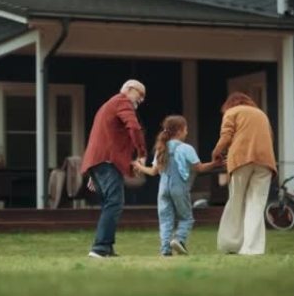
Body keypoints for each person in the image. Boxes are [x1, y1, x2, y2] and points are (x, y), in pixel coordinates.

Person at [134, 115, 220, 256]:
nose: (187, 132)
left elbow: (153, 171)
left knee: (166, 220)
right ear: (179, 131)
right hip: (179, 188)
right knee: (186, 218)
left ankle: (165, 250)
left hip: (163, 189)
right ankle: (179, 240)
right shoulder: (186, 148)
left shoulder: (161, 148)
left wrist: (139, 166)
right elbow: (199, 168)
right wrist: (214, 164)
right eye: (186, 129)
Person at [81, 79, 148, 258]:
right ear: (129, 89)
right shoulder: (122, 101)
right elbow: (133, 127)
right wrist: (142, 154)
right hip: (107, 161)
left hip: (98, 161)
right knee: (115, 203)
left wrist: (93, 172)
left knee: (109, 204)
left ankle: (107, 248)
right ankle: (100, 248)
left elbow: (102, 136)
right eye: (140, 95)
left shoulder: (107, 106)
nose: (140, 101)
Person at [211, 92, 277, 255]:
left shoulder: (231, 112)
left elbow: (226, 136)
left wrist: (216, 153)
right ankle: (251, 249)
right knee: (256, 205)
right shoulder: (261, 114)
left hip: (241, 160)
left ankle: (231, 244)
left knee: (236, 202)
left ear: (229, 104)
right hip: (265, 161)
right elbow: (270, 138)